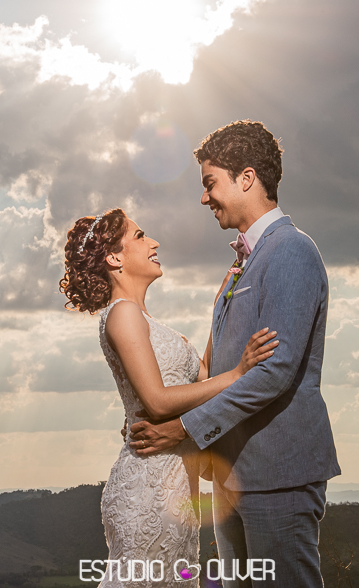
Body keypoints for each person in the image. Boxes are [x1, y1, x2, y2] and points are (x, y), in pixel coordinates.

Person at [129, 120, 341, 587]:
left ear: (247, 178)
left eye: (210, 183)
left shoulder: (291, 251)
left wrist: (183, 430)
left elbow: (275, 372)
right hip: (232, 477)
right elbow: (223, 366)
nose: (204, 198)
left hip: (279, 473)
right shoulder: (241, 263)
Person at [60, 208, 279, 588]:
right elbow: (158, 401)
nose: (154, 242)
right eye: (140, 236)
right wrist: (238, 374)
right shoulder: (123, 314)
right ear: (114, 258)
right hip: (148, 488)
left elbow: (203, 378)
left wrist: (220, 307)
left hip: (177, 488)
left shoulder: (146, 320)